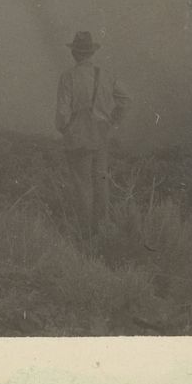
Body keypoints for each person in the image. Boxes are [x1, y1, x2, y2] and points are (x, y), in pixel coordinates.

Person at [55, 31, 132, 240]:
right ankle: (103, 232)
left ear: (74, 53)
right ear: (91, 53)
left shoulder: (68, 77)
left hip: (78, 135)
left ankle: (84, 236)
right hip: (101, 133)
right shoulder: (106, 75)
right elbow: (125, 99)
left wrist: (65, 129)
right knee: (101, 184)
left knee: (82, 186)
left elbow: (62, 113)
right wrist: (113, 122)